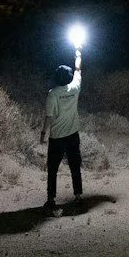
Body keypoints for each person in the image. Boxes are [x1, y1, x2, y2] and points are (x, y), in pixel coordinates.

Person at [43, 48, 83, 212]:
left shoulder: (52, 94)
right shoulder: (75, 88)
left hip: (57, 137)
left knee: (52, 169)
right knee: (75, 166)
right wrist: (78, 54)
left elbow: (49, 117)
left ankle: (51, 199)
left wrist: (43, 134)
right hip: (73, 135)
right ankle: (78, 196)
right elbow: (78, 69)